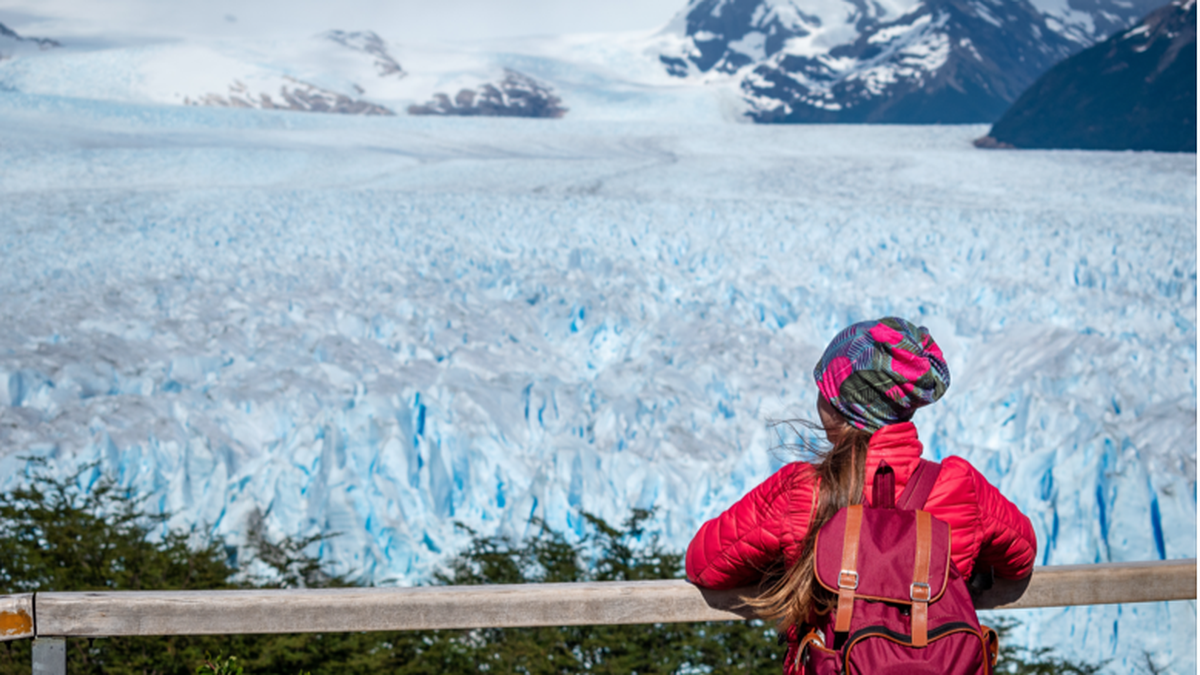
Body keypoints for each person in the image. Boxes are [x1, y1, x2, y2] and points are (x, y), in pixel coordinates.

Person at [685, 317, 1037, 670]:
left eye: (825, 387)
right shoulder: (960, 486)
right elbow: (1021, 558)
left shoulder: (802, 491)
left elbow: (705, 564)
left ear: (841, 405)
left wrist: (791, 565)